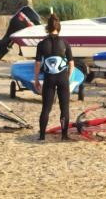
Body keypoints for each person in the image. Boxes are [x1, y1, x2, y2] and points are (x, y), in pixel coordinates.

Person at [34, 13, 74, 141]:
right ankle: (64, 135)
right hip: (62, 78)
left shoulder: (41, 44)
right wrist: (67, 78)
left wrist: (36, 80)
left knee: (46, 107)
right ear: (59, 27)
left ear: (47, 28)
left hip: (49, 78)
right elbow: (71, 64)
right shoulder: (65, 43)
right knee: (64, 107)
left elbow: (38, 64)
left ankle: (41, 136)